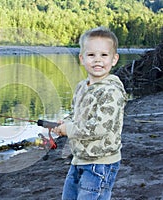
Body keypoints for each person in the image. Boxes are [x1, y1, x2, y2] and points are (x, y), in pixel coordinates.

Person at [53, 26, 127, 200]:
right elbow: (76, 116)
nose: (97, 60)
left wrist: (69, 129)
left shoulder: (111, 92)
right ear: (82, 58)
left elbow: (99, 128)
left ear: (114, 59)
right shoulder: (81, 87)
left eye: (104, 55)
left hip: (100, 163)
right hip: (79, 159)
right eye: (91, 55)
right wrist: (63, 124)